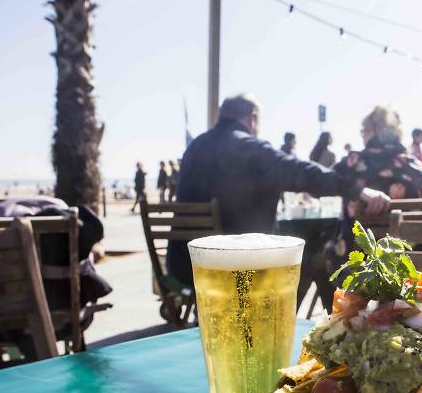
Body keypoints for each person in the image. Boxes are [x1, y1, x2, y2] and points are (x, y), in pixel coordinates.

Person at [166, 94, 390, 289]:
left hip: (183, 265)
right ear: (252, 118)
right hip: (234, 270)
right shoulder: (248, 148)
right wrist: (356, 190)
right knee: (303, 257)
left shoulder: (194, 147)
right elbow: (300, 171)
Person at [326, 106, 422, 303]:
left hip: (357, 271)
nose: (362, 136)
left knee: (325, 254)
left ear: (375, 130)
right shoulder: (417, 168)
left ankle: (338, 312)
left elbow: (325, 181)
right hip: (410, 270)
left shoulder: (354, 163)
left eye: (363, 131)